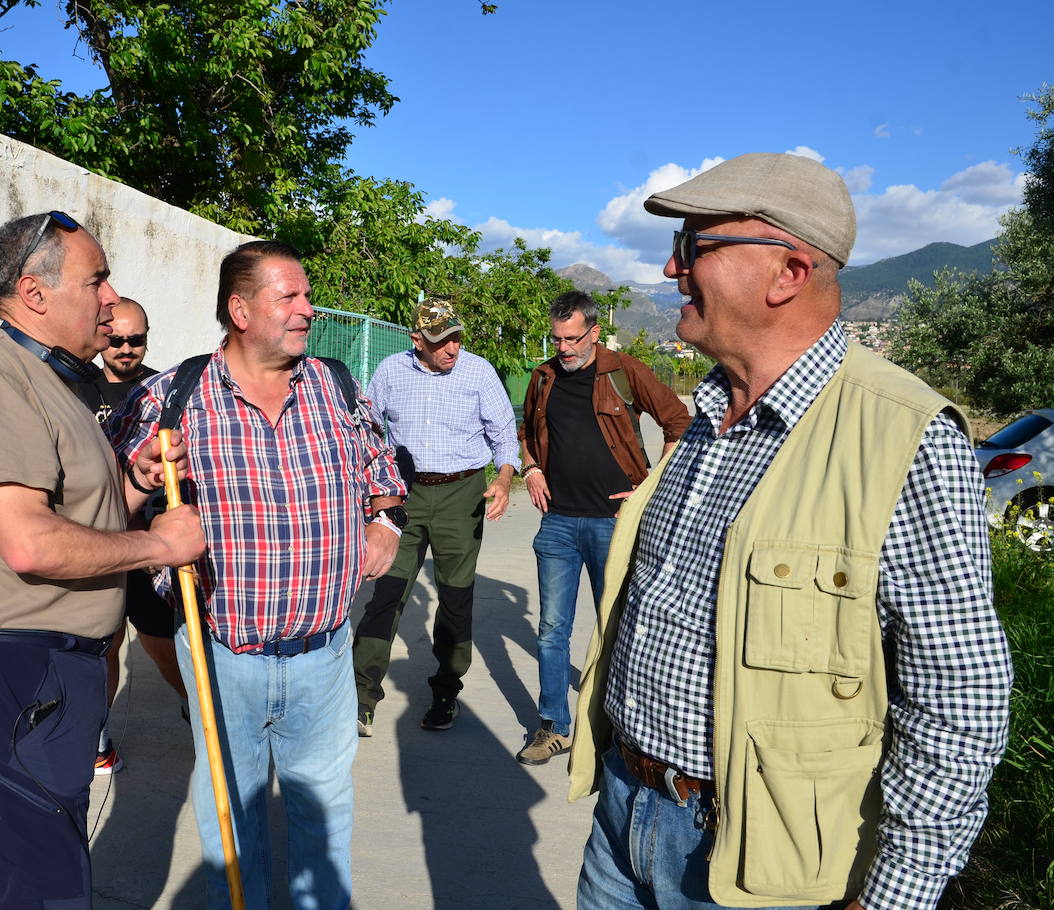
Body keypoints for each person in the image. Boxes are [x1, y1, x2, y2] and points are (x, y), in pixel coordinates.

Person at [566, 153, 1012, 910]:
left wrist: (894, 894)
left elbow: (959, 695)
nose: (672, 269)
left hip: (756, 867)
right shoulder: (704, 418)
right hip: (622, 816)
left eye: (694, 247)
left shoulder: (902, 436)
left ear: (787, 274)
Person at [0, 210, 205, 908]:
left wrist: (134, 484)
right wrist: (163, 543)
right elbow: (31, 543)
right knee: (38, 883)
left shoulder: (54, 381)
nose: (110, 297)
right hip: (7, 665)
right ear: (34, 294)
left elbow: (76, 522)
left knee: (35, 867)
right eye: (96, 279)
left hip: (42, 667)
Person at [109, 239, 407, 909]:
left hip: (325, 652)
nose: (307, 309)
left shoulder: (334, 384)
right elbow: (108, 505)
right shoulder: (173, 397)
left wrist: (384, 524)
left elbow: (382, 468)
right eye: (291, 297)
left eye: (306, 295)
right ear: (240, 309)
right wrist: (143, 490)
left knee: (323, 820)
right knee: (231, 817)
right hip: (221, 654)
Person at [515, 292, 689, 766]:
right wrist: (530, 470)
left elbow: (680, 423)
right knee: (552, 628)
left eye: (573, 339)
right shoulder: (544, 377)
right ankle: (554, 726)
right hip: (558, 525)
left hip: (613, 525)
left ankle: (617, 727)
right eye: (557, 339)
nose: (564, 348)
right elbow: (527, 433)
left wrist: (650, 487)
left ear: (594, 332)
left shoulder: (625, 371)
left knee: (618, 626)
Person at [352, 298, 519, 735]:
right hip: (403, 493)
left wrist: (502, 480)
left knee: (456, 595)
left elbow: (504, 436)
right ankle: (361, 696)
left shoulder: (478, 372)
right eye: (442, 340)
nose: (452, 348)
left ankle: (446, 691)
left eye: (457, 337)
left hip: (461, 494)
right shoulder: (391, 371)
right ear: (417, 341)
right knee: (386, 592)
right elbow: (367, 427)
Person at [73, 296, 187, 776]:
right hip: (97, 540)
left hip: (147, 549)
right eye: (114, 338)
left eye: (134, 339)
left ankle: (201, 711)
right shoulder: (76, 388)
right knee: (106, 644)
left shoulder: (165, 393)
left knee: (163, 647)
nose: (124, 347)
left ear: (146, 338)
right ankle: (98, 738)